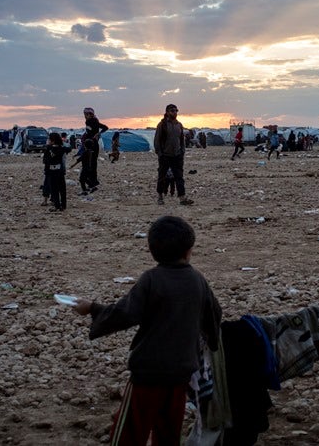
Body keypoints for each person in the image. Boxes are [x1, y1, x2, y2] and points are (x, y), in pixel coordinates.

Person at [73, 216, 221, 446]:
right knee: (169, 432)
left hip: (148, 374)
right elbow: (214, 313)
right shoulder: (197, 280)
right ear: (189, 251)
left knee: (130, 431)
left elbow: (125, 313)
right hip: (181, 372)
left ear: (152, 251)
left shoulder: (151, 279)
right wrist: (212, 342)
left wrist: (92, 308)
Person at [154, 104, 193, 206]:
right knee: (162, 176)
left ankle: (182, 198)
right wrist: (160, 153)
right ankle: (160, 196)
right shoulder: (162, 125)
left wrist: (182, 151)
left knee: (179, 177)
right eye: (172, 111)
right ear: (167, 112)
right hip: (165, 155)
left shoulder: (179, 125)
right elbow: (157, 140)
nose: (174, 112)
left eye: (176, 111)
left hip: (177, 155)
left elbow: (181, 140)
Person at [81, 107, 109, 193]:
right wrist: (98, 133)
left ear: (90, 114)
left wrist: (97, 134)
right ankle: (94, 181)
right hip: (93, 144)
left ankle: (92, 182)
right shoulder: (93, 121)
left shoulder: (91, 121)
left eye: (86, 114)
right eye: (84, 114)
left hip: (91, 144)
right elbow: (105, 127)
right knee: (92, 163)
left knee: (90, 163)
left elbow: (104, 128)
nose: (85, 116)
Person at [43, 132, 71, 211]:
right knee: (62, 188)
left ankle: (57, 205)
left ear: (52, 141)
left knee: (54, 189)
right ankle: (63, 205)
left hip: (51, 171)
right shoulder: (61, 148)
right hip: (60, 171)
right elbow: (69, 149)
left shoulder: (49, 148)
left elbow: (45, 160)